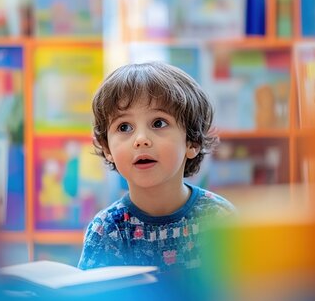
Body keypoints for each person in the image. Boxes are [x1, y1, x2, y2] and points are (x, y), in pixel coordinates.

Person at [78, 62, 236, 271]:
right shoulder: (107, 229)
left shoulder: (219, 218)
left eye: (158, 123)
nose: (141, 139)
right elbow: (90, 300)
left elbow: (245, 295)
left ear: (192, 142)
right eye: (124, 127)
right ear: (108, 149)